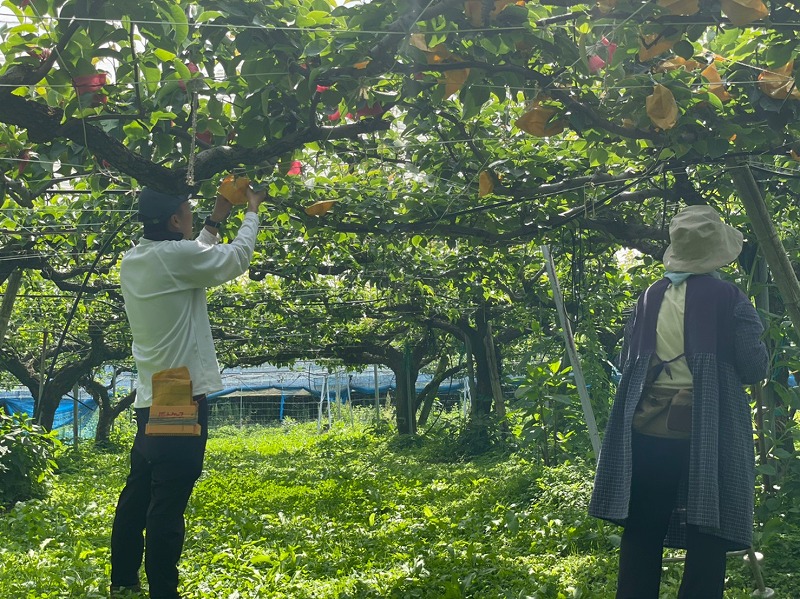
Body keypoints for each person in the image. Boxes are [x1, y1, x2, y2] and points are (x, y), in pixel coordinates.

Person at [589, 204, 769, 599]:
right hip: (709, 425)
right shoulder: (729, 298)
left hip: (648, 423)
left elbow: (628, 361)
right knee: (709, 525)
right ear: (718, 252)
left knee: (643, 524)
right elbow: (754, 367)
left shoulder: (649, 295)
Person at [110, 182, 265, 598]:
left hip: (153, 392)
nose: (193, 218)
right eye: (189, 213)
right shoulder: (175, 257)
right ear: (175, 221)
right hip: (178, 394)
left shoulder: (136, 258)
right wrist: (252, 210)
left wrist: (217, 217)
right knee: (169, 497)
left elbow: (190, 256)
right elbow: (234, 259)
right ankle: (164, 591)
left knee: (141, 487)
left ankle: (123, 579)